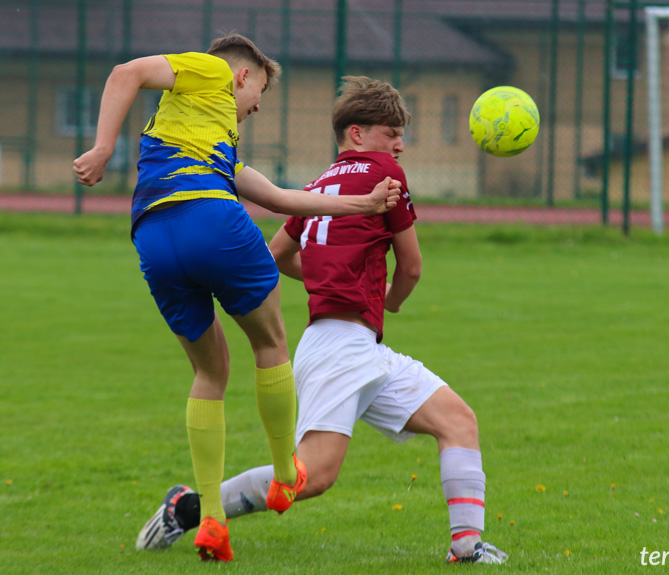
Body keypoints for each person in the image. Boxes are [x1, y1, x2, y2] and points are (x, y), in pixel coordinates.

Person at [135, 76, 508, 565]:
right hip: (339, 349)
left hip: (358, 347)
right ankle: (188, 508)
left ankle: (467, 547)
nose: (398, 144)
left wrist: (326, 277)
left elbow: (276, 255)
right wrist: (392, 298)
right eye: (389, 131)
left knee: (458, 421)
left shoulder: (320, 186)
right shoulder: (384, 173)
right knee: (311, 476)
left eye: (400, 134)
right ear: (357, 134)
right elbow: (412, 267)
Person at [73, 37, 400, 563]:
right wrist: (103, 147)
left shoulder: (203, 140)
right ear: (243, 77)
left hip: (154, 238)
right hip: (212, 220)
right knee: (270, 344)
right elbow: (124, 71)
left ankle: (212, 522)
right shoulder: (208, 71)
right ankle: (284, 471)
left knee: (210, 373)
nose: (256, 108)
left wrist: (362, 203)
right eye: (259, 96)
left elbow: (279, 198)